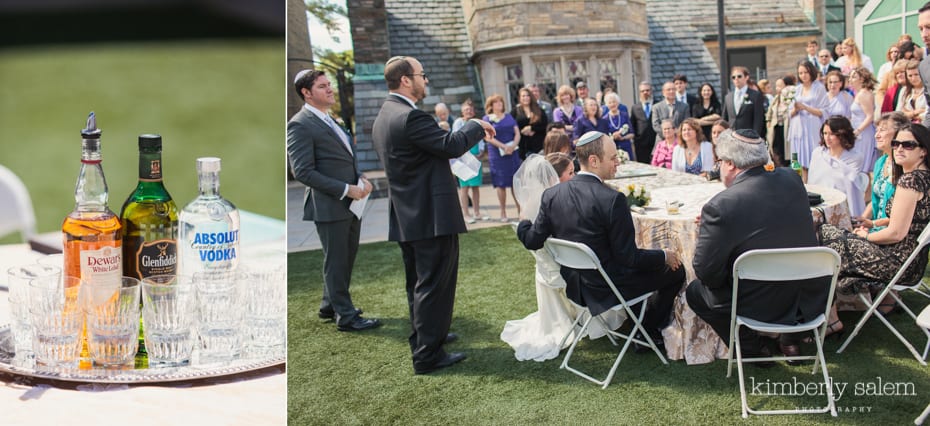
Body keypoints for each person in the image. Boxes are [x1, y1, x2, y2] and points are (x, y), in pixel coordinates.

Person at [371, 56, 496, 375]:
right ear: (405, 81)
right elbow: (451, 144)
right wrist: (476, 125)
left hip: (408, 215)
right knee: (433, 284)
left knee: (418, 282)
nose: (426, 80)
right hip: (430, 215)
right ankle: (428, 355)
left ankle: (428, 336)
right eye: (422, 75)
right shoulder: (411, 118)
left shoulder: (384, 115)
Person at [517, 131, 685, 352]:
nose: (617, 163)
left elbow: (532, 241)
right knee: (676, 271)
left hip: (577, 286)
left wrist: (523, 222)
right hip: (608, 288)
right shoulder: (613, 200)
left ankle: (640, 328)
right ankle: (645, 330)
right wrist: (664, 255)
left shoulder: (551, 195)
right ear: (594, 161)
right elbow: (629, 259)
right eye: (613, 157)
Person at [686, 129, 831, 360]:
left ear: (731, 164)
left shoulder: (720, 206)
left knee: (695, 292)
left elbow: (706, 273)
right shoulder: (792, 179)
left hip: (761, 305)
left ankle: (752, 348)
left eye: (719, 162)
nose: (718, 167)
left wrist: (714, 229)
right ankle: (789, 338)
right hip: (810, 295)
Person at [287, 70, 378, 332]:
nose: (330, 90)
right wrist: (344, 189)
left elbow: (343, 158)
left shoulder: (330, 120)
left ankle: (330, 306)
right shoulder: (300, 124)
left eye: (330, 85)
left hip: (351, 202)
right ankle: (346, 316)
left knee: (346, 256)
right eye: (323, 86)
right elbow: (302, 172)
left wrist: (360, 177)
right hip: (329, 204)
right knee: (337, 260)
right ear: (307, 92)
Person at [819, 123, 930, 334]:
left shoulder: (910, 181)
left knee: (825, 239)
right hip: (911, 261)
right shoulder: (924, 178)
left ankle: (830, 319)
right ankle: (832, 315)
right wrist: (874, 223)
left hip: (896, 261)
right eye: (896, 143)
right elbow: (912, 219)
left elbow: (897, 232)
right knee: (832, 236)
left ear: (923, 151)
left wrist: (866, 236)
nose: (899, 149)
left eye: (908, 145)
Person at [857, 112, 911, 233]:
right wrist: (861, 222)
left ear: (899, 134)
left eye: (883, 130)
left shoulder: (906, 168)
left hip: (891, 233)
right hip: (874, 228)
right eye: (877, 130)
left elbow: (902, 216)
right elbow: (875, 199)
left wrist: (871, 226)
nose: (877, 135)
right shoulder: (881, 162)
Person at [807, 116, 866, 217]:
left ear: (842, 134)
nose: (827, 138)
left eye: (832, 134)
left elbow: (850, 185)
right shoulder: (818, 153)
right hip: (820, 202)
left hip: (843, 203)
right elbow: (813, 179)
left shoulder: (855, 157)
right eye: (825, 133)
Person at [483, 94, 522, 222]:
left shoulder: (509, 116)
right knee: (501, 184)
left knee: (515, 182)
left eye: (501, 102)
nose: (500, 104)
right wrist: (504, 146)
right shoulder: (487, 119)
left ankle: (520, 210)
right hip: (497, 154)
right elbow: (487, 137)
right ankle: (503, 212)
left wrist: (514, 145)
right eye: (496, 102)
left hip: (512, 153)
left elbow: (517, 132)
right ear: (491, 105)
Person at [788, 61, 828, 182]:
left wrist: (805, 107)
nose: (803, 75)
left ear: (811, 72)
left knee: (812, 158)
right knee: (797, 160)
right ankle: (800, 184)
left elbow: (823, 111)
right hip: (797, 126)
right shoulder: (796, 89)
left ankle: (813, 184)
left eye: (806, 72)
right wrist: (795, 108)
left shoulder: (819, 88)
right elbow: (789, 113)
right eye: (800, 73)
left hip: (812, 126)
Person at [453, 100, 489, 224]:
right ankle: (466, 214)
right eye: (466, 109)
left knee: (475, 187)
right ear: (462, 111)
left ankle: (477, 212)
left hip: (475, 157)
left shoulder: (476, 122)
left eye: (470, 109)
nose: (468, 111)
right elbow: (455, 138)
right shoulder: (458, 122)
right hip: (463, 159)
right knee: (464, 187)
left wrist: (481, 151)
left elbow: (481, 139)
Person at [848, 67, 878, 174]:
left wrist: (858, 130)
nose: (850, 79)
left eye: (854, 77)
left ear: (862, 79)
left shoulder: (864, 94)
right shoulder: (859, 93)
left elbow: (870, 116)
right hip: (858, 132)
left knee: (862, 169)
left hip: (863, 134)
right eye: (850, 77)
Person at [722, 66, 765, 136]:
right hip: (732, 137)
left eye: (739, 76)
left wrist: (755, 136)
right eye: (733, 77)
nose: (736, 79)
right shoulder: (728, 97)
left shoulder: (755, 95)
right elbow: (725, 119)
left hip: (748, 136)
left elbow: (758, 119)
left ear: (746, 77)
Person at [766, 76, 795, 166]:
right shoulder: (775, 99)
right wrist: (768, 122)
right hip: (776, 128)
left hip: (787, 128)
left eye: (780, 86)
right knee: (777, 151)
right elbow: (769, 112)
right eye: (776, 86)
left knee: (788, 152)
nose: (777, 88)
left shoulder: (791, 97)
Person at [513, 87, 549, 159]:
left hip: (539, 146)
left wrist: (532, 128)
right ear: (520, 98)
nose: (526, 98)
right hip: (523, 146)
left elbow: (545, 125)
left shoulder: (539, 110)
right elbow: (512, 127)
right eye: (523, 96)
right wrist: (522, 131)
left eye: (528, 95)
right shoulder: (515, 111)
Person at [651, 81, 690, 146]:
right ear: (663, 92)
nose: (671, 91)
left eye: (673, 89)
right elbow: (655, 125)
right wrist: (667, 134)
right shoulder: (656, 107)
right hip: (661, 141)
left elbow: (686, 123)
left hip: (680, 141)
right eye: (668, 90)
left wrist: (677, 133)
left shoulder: (684, 106)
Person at [603, 92, 635, 160]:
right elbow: (604, 137)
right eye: (610, 102)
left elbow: (632, 134)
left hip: (626, 147)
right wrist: (613, 136)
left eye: (614, 102)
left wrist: (623, 138)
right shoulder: (605, 119)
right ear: (607, 105)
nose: (612, 104)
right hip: (612, 149)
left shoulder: (624, 115)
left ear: (618, 103)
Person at [631, 81, 657, 164]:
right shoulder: (635, 107)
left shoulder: (658, 105)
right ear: (639, 93)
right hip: (641, 144)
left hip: (656, 141)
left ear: (651, 91)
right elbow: (633, 125)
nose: (645, 92)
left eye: (647, 90)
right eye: (642, 91)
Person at [900, 59, 928, 124]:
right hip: (908, 127)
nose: (913, 78)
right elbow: (899, 113)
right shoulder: (904, 90)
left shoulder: (927, 89)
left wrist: (908, 114)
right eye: (910, 75)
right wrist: (915, 112)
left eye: (916, 74)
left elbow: (926, 114)